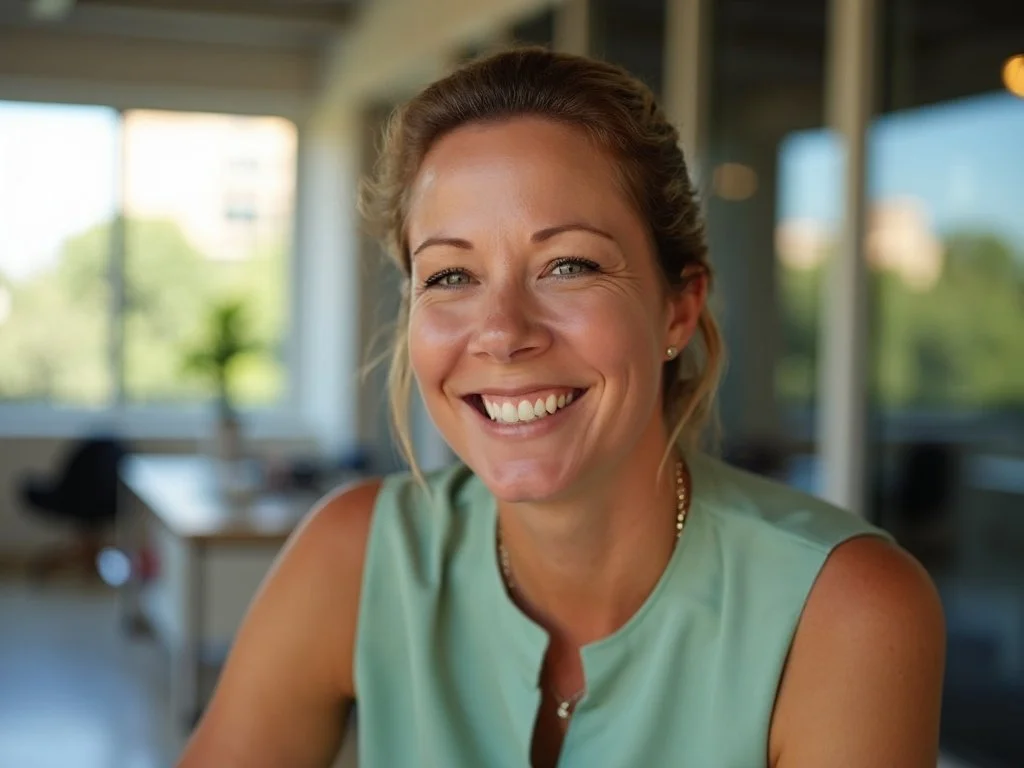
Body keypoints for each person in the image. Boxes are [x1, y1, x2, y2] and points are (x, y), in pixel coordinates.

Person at [178, 48, 945, 768]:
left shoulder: (842, 609)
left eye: (568, 265)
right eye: (450, 276)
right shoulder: (357, 557)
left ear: (678, 309)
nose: (502, 332)